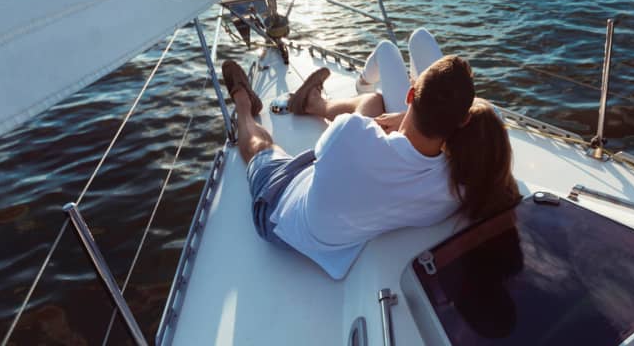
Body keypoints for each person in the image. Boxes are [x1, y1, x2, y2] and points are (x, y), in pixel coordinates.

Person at [222, 29, 520, 280]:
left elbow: (336, 148)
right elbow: (487, 118)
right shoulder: (460, 184)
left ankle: (243, 105)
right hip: (334, 189)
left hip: (283, 212)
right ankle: (314, 103)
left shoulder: (350, 134)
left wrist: (396, 123)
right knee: (373, 104)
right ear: (463, 121)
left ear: (410, 95)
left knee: (262, 149)